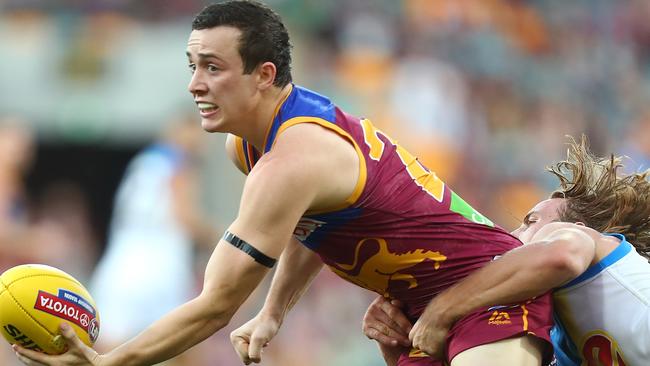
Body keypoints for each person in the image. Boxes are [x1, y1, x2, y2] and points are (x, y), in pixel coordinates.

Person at [12, 2, 553, 366]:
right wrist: (273, 312)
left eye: (214, 68)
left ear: (264, 75)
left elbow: (217, 305)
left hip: (490, 291)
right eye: (192, 65)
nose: (195, 84)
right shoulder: (254, 142)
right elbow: (310, 224)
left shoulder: (289, 160)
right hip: (417, 310)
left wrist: (112, 361)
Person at [362, 137, 650, 365]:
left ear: (578, 227)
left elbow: (562, 255)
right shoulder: (557, 338)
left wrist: (441, 311)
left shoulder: (573, 240)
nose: (511, 236)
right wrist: (398, 344)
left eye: (530, 222)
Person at [88, 114, 218, 364]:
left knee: (107, 347)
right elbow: (184, 216)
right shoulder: (180, 164)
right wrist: (221, 238)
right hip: (161, 264)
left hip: (121, 261)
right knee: (187, 340)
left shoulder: (143, 163)